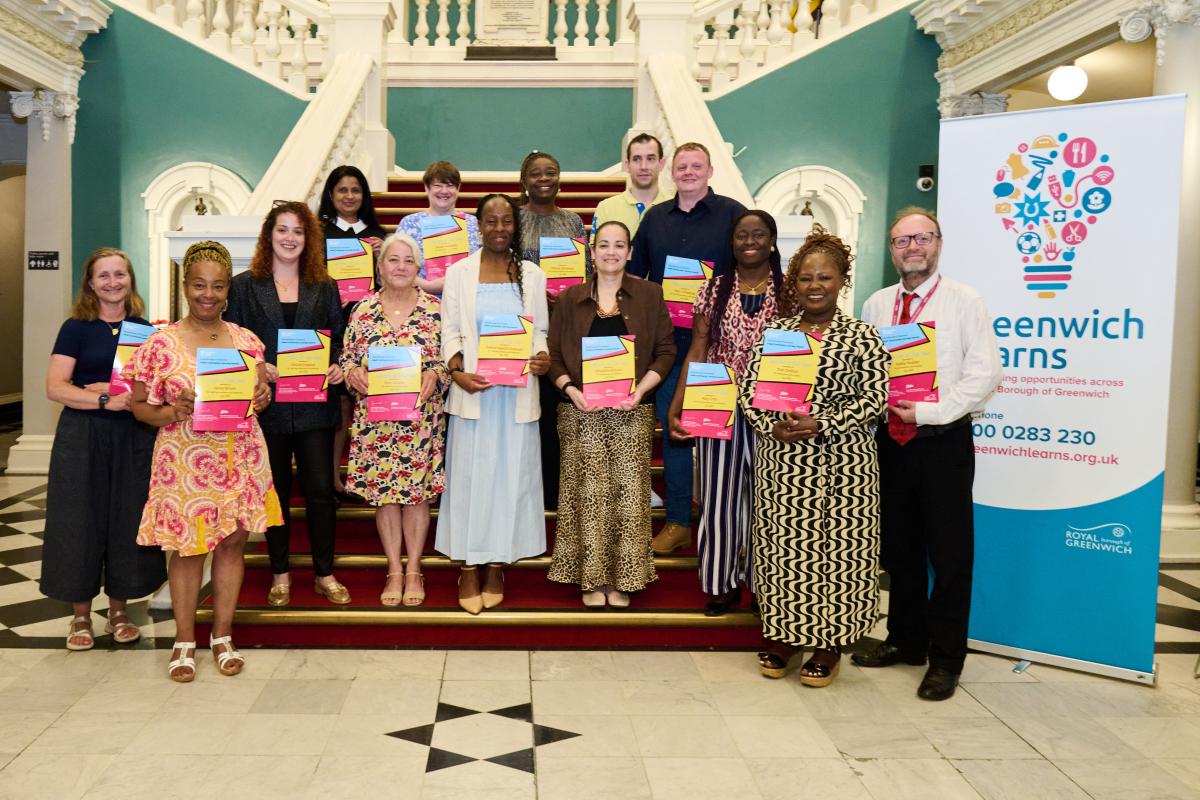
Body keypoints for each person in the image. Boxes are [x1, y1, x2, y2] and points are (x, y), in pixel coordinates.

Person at [853, 207, 1003, 701]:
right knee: (900, 551)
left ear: (938, 243)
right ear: (892, 250)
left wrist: (930, 412)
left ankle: (945, 659)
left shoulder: (964, 301)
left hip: (942, 443)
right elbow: (864, 370)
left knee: (949, 554)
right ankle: (906, 640)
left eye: (921, 238)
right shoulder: (876, 304)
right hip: (889, 446)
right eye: (901, 241)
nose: (912, 247)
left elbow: (984, 376)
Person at [739, 230, 889, 688]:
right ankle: (783, 638)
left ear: (842, 280)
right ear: (795, 284)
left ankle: (829, 645)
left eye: (825, 276)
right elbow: (749, 390)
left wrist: (822, 422)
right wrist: (770, 424)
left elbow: (875, 399)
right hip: (784, 466)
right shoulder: (777, 334)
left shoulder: (863, 337)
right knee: (784, 551)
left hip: (845, 469)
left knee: (838, 556)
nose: (815, 285)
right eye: (806, 277)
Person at [125, 241, 280, 682]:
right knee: (188, 550)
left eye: (216, 286)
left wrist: (262, 396)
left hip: (241, 456)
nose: (207, 294)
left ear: (227, 290)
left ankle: (223, 636)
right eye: (199, 285)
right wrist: (174, 409)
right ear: (185, 287)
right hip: (186, 461)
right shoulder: (160, 344)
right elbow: (140, 407)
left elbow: (257, 399)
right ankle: (185, 639)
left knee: (232, 544)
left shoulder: (247, 340)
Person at [40, 248, 167, 650]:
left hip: (132, 436)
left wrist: (118, 393)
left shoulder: (146, 331)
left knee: (127, 518)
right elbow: (55, 387)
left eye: (120, 274)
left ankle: (118, 611)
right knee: (80, 518)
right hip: (83, 434)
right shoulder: (75, 328)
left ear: (130, 279)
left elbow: (153, 390)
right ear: (90, 284)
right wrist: (100, 399)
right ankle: (79, 616)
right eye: (104, 276)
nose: (113, 282)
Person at [226, 200, 350, 607]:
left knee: (319, 493)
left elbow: (339, 340)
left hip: (315, 406)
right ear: (269, 235)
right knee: (274, 492)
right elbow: (234, 343)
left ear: (308, 238)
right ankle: (280, 574)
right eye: (282, 230)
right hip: (268, 409)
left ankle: (324, 574)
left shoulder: (324, 284)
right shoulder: (245, 286)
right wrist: (259, 367)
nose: (290, 238)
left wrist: (335, 367)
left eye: (298, 231)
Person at [547, 221, 675, 608]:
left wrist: (640, 390)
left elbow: (666, 350)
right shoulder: (569, 299)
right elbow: (552, 356)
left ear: (630, 252)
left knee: (628, 496)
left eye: (620, 245)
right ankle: (590, 578)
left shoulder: (650, 295)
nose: (611, 252)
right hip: (580, 410)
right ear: (592, 250)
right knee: (587, 495)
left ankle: (624, 578)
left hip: (630, 410)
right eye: (604, 244)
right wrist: (571, 389)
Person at [628, 142, 748, 554]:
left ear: (710, 171)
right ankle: (679, 520)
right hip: (669, 344)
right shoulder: (655, 219)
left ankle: (724, 522)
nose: (689, 172)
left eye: (697, 166)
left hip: (722, 343)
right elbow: (634, 278)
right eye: (682, 166)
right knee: (676, 429)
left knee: (719, 434)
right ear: (671, 172)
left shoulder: (734, 216)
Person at [438, 193, 551, 614]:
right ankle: (468, 564)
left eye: (506, 221)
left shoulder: (533, 276)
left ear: (515, 227)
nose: (499, 228)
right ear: (479, 225)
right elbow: (449, 331)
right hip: (475, 395)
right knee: (470, 479)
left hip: (517, 395)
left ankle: (497, 563)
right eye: (491, 220)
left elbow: (539, 330)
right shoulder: (459, 273)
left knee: (509, 479)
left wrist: (542, 357)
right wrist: (456, 371)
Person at [667, 210, 783, 615]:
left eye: (758, 234)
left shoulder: (789, 291)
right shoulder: (713, 290)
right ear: (732, 243)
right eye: (741, 235)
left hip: (774, 406)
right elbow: (697, 349)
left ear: (771, 240)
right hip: (717, 401)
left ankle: (764, 587)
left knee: (769, 501)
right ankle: (721, 585)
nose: (749, 241)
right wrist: (678, 404)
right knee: (719, 499)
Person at [342, 233, 448, 607]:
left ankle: (415, 567)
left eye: (408, 261)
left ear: (418, 268)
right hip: (377, 421)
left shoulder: (435, 310)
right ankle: (394, 569)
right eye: (393, 260)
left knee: (416, 496)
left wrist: (435, 374)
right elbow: (348, 357)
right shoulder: (362, 310)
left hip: (420, 419)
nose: (401, 267)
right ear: (380, 266)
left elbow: (449, 360)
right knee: (385, 497)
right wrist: (353, 372)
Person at [516, 150, 589, 511]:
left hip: (564, 326)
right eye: (536, 173)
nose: (544, 178)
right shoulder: (513, 220)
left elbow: (586, 274)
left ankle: (555, 493)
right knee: (529, 411)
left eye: (551, 172)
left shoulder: (573, 222)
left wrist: (568, 294)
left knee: (558, 411)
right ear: (524, 180)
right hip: (522, 331)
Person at [317, 165, 386, 503]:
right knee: (339, 408)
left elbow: (392, 282)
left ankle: (369, 475)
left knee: (368, 399)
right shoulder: (318, 234)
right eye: (342, 190)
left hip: (369, 330)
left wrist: (380, 255)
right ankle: (333, 478)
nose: (348, 196)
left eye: (355, 190)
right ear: (331, 195)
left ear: (364, 196)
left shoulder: (376, 235)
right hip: (333, 325)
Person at [397, 160, 481, 295]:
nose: (444, 191)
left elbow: (483, 264)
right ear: (426, 188)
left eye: (450, 185)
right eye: (438, 185)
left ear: (458, 188)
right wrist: (427, 286)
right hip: (420, 300)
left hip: (465, 297)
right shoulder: (409, 224)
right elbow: (398, 268)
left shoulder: (472, 224)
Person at [591, 132, 672, 239]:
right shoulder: (605, 208)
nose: (644, 166)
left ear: (661, 164)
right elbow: (598, 253)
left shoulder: (676, 207)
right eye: (637, 159)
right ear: (627, 165)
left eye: (650, 158)